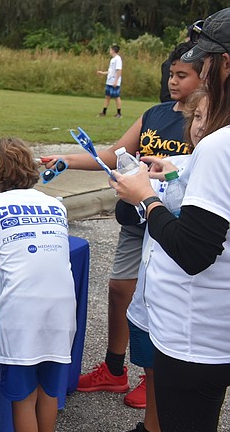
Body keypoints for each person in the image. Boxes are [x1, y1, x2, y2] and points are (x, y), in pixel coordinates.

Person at [111, 7, 230, 432]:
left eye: (203, 63)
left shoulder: (218, 147)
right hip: (216, 329)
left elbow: (194, 251)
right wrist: (179, 170)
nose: (197, 74)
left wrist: (146, 199)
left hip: (193, 334)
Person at [44, 41, 199, 409]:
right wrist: (65, 158)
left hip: (171, 226)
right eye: (171, 74)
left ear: (204, 76)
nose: (174, 81)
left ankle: (154, 378)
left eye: (183, 75)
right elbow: (116, 154)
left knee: (157, 301)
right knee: (119, 291)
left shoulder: (205, 122)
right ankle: (115, 369)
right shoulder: (155, 113)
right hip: (136, 222)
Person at [102, 91, 207, 432]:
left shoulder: (213, 166)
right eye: (195, 118)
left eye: (204, 117)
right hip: (156, 295)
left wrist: (146, 198)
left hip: (188, 312)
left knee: (191, 420)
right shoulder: (185, 162)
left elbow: (191, 242)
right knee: (155, 367)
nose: (196, 125)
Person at [0, 138, 76, 432]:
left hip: (23, 311)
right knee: (49, 390)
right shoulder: (55, 204)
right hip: (63, 307)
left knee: (24, 395)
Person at [97, 44, 123, 117]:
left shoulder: (118, 59)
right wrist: (102, 73)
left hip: (114, 82)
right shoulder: (112, 60)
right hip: (109, 81)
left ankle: (119, 113)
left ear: (113, 50)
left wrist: (116, 81)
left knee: (116, 97)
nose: (109, 51)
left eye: (110, 50)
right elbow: (111, 71)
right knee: (107, 96)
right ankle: (104, 111)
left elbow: (119, 70)